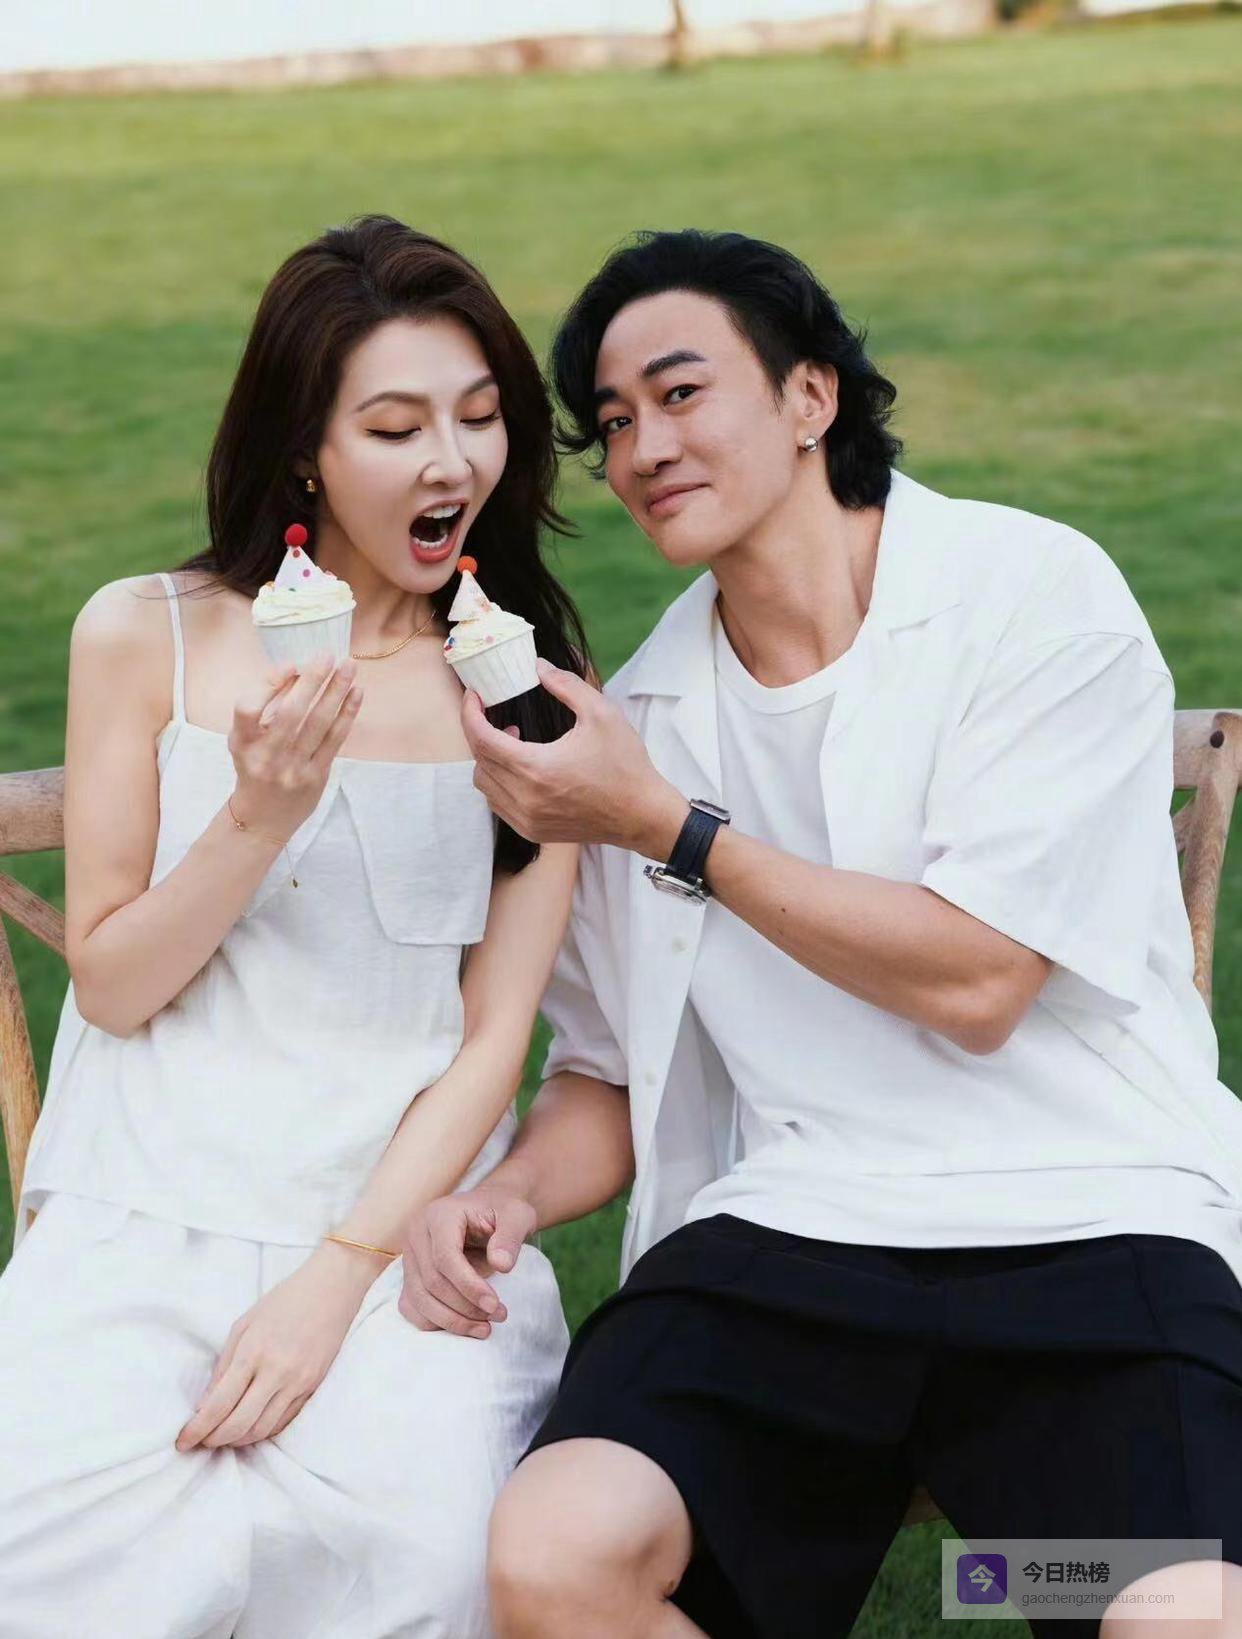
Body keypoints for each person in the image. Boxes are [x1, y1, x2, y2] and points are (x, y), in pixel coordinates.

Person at [398, 229, 1242, 1639]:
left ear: (809, 396)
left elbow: (978, 980)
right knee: (555, 1558)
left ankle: (1014, 1580)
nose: (644, 447)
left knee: (1170, 1607)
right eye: (614, 422)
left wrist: (667, 826)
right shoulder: (641, 716)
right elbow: (604, 1066)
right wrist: (516, 1192)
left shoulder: (1032, 595)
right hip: (794, 1244)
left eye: (680, 394)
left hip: (1088, 1228)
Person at [0, 214, 588, 1639]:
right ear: (307, 450)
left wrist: (337, 1281)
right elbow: (116, 987)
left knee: (429, 1578)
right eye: (394, 428)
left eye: (479, 417)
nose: (451, 463)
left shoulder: (527, 688)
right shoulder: (146, 634)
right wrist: (260, 813)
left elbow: (493, 1041)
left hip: (399, 1238)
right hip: (142, 1218)